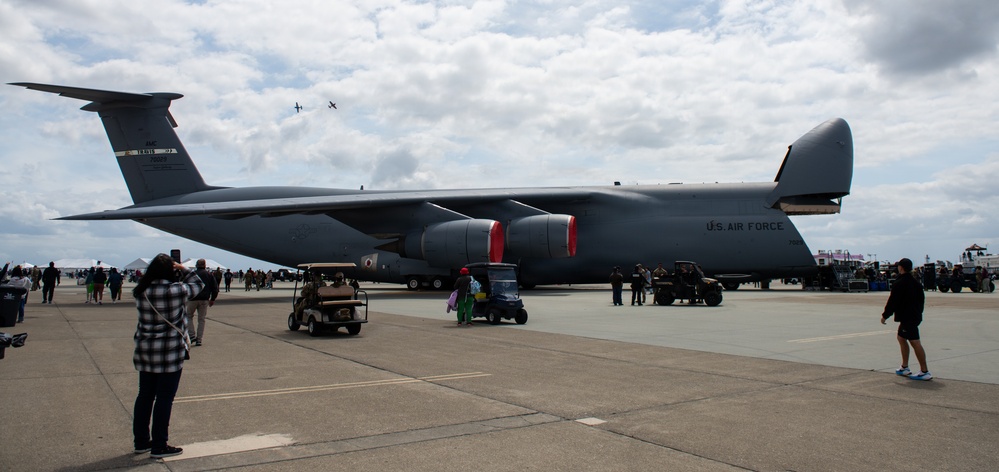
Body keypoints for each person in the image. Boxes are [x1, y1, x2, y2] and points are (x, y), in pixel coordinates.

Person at [132, 254, 204, 458]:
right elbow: (198, 283)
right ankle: (159, 445)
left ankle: (141, 441)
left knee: (144, 396)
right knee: (164, 398)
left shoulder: (141, 291)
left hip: (145, 351)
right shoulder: (176, 291)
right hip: (169, 351)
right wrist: (183, 268)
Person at [880, 258, 931, 381]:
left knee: (915, 342)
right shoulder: (916, 283)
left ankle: (924, 371)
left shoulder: (900, 283)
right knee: (901, 338)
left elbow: (893, 301)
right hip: (914, 316)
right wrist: (919, 313)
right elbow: (921, 300)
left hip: (908, 317)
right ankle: (904, 367)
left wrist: (885, 315)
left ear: (901, 268)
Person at [185, 259, 219, 347]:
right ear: (205, 265)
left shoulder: (192, 274)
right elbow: (215, 288)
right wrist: (213, 299)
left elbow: (185, 285)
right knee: (201, 319)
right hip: (204, 299)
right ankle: (199, 339)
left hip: (192, 298)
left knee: (188, 316)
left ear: (196, 265)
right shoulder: (209, 275)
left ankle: (192, 335)